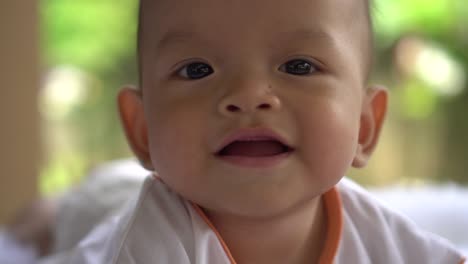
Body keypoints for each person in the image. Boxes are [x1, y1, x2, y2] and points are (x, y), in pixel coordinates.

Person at [69, 0, 466, 263]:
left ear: (364, 125)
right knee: (85, 212)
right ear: (142, 131)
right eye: (196, 69)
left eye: (299, 66)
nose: (248, 95)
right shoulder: (149, 247)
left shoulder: (386, 243)